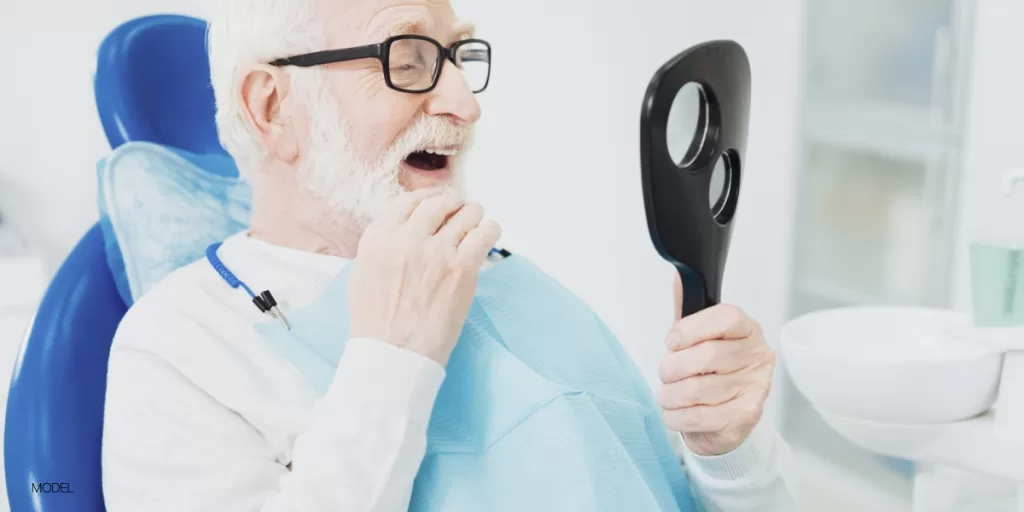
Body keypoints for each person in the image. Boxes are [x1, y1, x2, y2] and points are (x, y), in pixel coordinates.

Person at [100, 0, 799, 510]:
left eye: (459, 55)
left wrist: (728, 451)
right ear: (272, 107)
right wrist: (391, 361)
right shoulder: (176, 350)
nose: (464, 102)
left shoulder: (514, 280)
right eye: (406, 59)